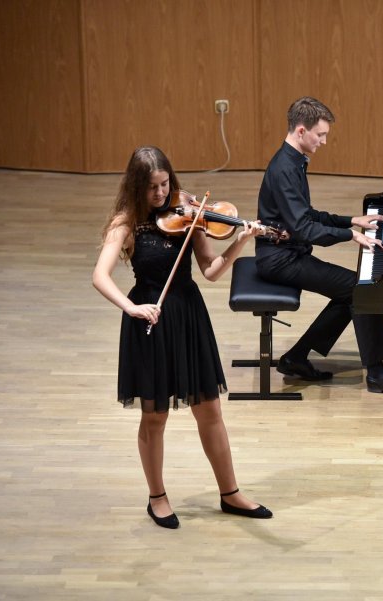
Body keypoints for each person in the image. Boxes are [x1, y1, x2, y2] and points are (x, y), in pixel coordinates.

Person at [92, 146, 272, 529]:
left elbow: (210, 271)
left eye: (165, 184)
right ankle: (157, 497)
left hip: (188, 314)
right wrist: (131, 307)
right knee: (154, 416)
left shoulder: (188, 211)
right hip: (151, 317)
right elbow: (100, 277)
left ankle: (230, 493)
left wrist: (240, 240)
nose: (161, 193)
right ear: (137, 187)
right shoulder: (126, 222)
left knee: (210, 410)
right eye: (152, 187)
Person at [255, 96, 383, 394]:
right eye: (320, 135)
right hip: (280, 259)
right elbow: (305, 229)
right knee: (359, 290)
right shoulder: (284, 169)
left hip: (289, 253)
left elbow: (306, 214)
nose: (324, 142)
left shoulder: (292, 161)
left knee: (351, 291)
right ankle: (377, 374)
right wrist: (351, 235)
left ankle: (296, 358)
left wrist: (351, 220)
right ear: (301, 131)